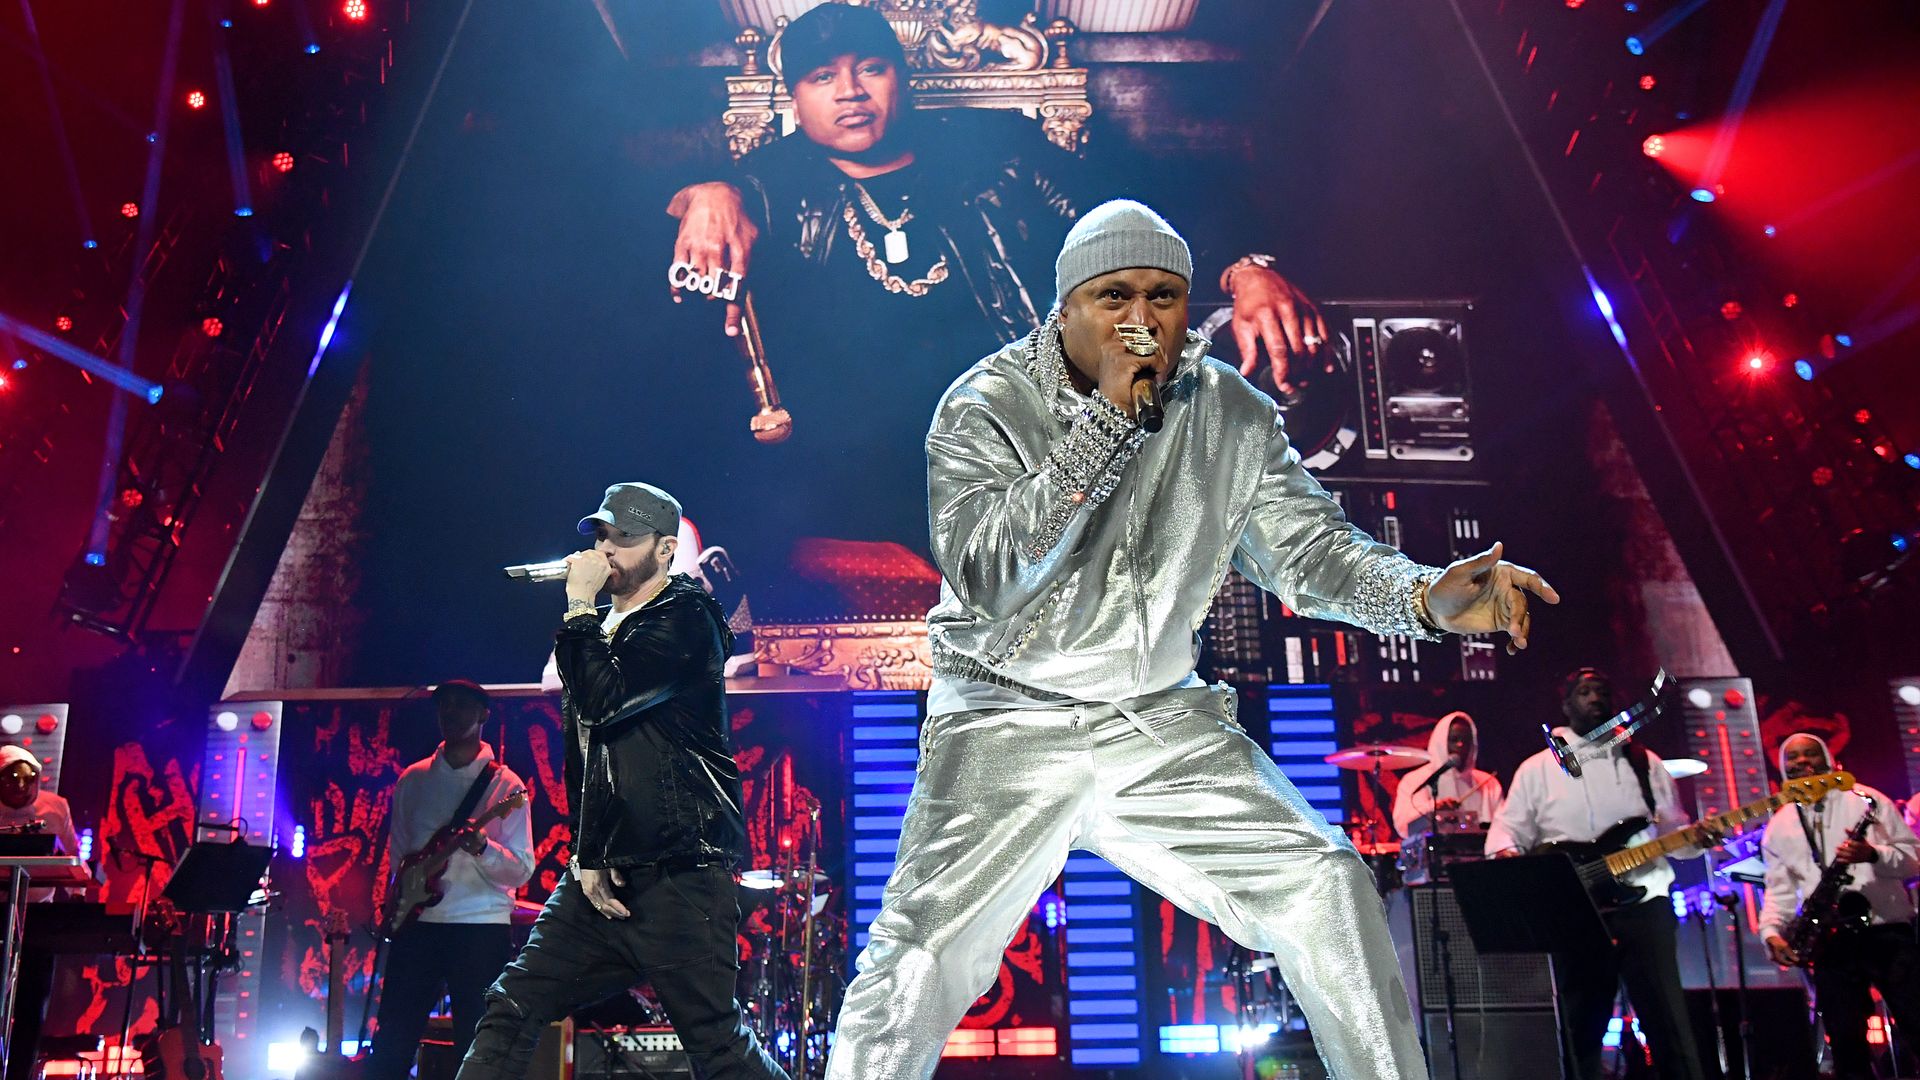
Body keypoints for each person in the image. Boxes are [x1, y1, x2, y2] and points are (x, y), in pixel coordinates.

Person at [822, 200, 1559, 1080]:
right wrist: (1104, 423)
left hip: (1159, 723)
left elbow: (1313, 555)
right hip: (1004, 719)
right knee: (917, 958)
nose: (1142, 320)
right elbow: (990, 575)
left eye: (1164, 296)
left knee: (1325, 885)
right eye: (1114, 296)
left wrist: (1426, 599)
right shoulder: (987, 403)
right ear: (1065, 308)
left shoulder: (1231, 414)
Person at [666, 2, 1328, 558]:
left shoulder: (998, 152)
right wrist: (709, 192)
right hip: (848, 472)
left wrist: (1248, 271)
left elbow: (1137, 206)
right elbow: (645, 230)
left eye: (870, 69)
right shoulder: (772, 183)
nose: (850, 92)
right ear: (795, 97)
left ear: (901, 76)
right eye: (821, 77)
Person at [458, 483, 786, 1080]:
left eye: (625, 538)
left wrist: (579, 608)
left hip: (678, 872)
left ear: (664, 551)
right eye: (603, 534)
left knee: (716, 1045)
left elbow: (605, 701)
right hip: (602, 875)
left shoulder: (687, 619)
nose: (607, 548)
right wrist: (588, 851)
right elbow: (588, 757)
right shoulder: (604, 629)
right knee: (511, 1004)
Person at [1485, 668, 1708, 1080]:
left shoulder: (1645, 762)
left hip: (1644, 903)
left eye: (1602, 691)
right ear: (1567, 705)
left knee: (1667, 1020)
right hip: (1576, 908)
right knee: (1580, 1026)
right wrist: (1510, 857)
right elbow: (1507, 828)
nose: (1595, 698)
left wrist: (1698, 838)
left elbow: (1672, 828)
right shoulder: (1537, 768)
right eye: (1584, 692)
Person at [367, 681, 535, 1080]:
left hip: (479, 929)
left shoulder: (506, 786)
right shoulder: (413, 779)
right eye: (444, 705)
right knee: (392, 1040)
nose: (451, 712)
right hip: (419, 928)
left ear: (483, 716)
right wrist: (400, 902)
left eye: (462, 705)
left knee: (477, 1045)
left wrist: (482, 849)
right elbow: (401, 857)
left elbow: (521, 869)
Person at [1758, 732, 1920, 1080]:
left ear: (1828, 759)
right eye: (1793, 757)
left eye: (1810, 754)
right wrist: (1771, 932)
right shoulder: (1779, 824)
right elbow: (1780, 890)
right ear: (1783, 767)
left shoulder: (1868, 800)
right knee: (1847, 1045)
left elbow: (1913, 861)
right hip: (1829, 941)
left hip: (1886, 930)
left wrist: (1873, 854)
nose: (1802, 762)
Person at [0, 745, 86, 1080]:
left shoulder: (55, 806)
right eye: (11, 782)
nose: (21, 788)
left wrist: (78, 894)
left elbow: (73, 854)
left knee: (33, 1001)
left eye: (28, 781)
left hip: (38, 913)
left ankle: (20, 1073)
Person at [1392, 710, 1501, 839]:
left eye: (1465, 740)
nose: (1460, 745)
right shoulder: (1415, 780)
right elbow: (1403, 825)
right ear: (1441, 743)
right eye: (1454, 740)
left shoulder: (1488, 783)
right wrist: (1435, 807)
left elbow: (1505, 825)